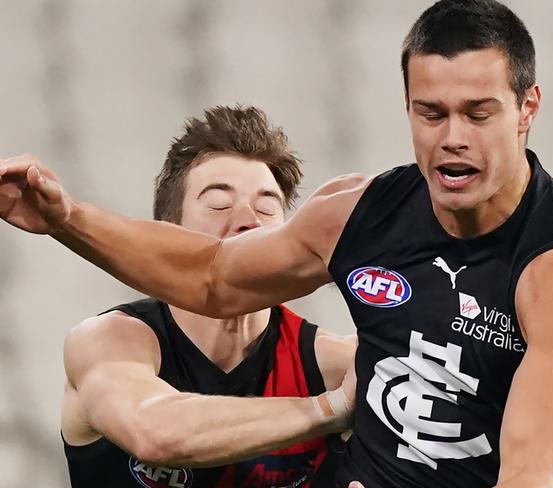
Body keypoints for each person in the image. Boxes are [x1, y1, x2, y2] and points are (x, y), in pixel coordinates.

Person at [0, 1, 553, 487]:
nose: (453, 137)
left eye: (478, 113)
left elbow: (527, 462)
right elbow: (207, 293)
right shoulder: (113, 340)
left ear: (527, 107)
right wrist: (67, 218)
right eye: (431, 113)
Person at [59, 105, 357, 487]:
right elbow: (154, 432)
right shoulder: (108, 343)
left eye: (268, 208)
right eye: (219, 203)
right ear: (168, 235)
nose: (249, 219)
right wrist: (329, 409)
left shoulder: (335, 365)